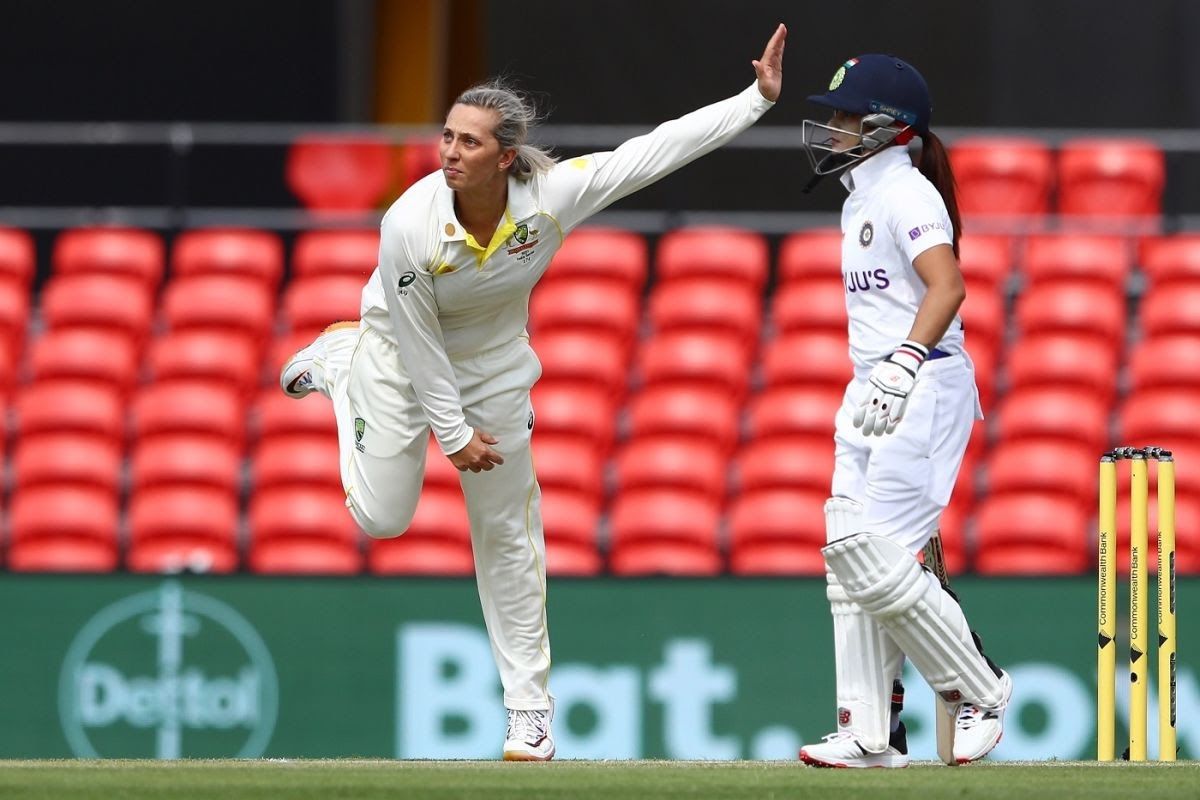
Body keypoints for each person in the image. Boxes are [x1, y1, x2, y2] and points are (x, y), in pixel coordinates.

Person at [279, 24, 787, 761]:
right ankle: (340, 358)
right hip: (394, 353)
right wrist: (452, 438)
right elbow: (421, 349)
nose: (450, 153)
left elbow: (651, 152)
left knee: (510, 533)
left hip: (492, 367)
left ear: (505, 157)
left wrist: (755, 100)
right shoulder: (407, 227)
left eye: (469, 143)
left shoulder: (551, 197)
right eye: (447, 138)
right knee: (382, 519)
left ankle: (528, 713)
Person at [793, 54, 1012, 768]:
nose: (832, 128)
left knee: (880, 560)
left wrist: (905, 362)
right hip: (872, 385)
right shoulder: (862, 193)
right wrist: (879, 375)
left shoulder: (906, 194)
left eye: (846, 116)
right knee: (848, 561)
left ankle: (980, 686)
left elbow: (947, 288)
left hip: (919, 383)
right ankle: (868, 731)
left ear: (890, 128)